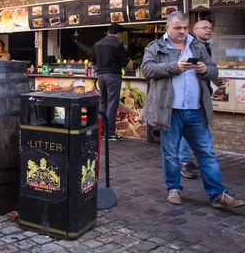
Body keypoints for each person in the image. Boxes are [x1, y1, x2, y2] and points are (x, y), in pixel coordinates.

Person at [142, 11, 244, 208]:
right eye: (177, 28)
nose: (182, 31)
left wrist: (206, 70)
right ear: (167, 28)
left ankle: (218, 195)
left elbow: (214, 70)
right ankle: (174, 189)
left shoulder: (197, 45)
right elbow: (147, 70)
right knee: (171, 154)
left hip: (196, 110)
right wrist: (174, 67)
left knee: (206, 153)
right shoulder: (156, 47)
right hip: (169, 110)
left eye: (184, 27)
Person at [179, 20, 214, 179]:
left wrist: (207, 70)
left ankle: (190, 160)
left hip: (201, 96)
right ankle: (184, 162)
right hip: (187, 100)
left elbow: (213, 69)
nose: (209, 31)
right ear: (195, 30)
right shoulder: (188, 46)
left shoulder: (204, 47)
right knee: (188, 132)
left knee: (198, 132)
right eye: (205, 28)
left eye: (210, 28)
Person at [92, 24, 128, 141]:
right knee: (112, 104)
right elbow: (124, 63)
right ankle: (109, 133)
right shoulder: (118, 44)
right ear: (118, 34)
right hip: (113, 76)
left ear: (108, 32)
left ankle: (100, 131)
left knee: (103, 102)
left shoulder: (97, 44)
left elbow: (93, 61)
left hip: (100, 76)